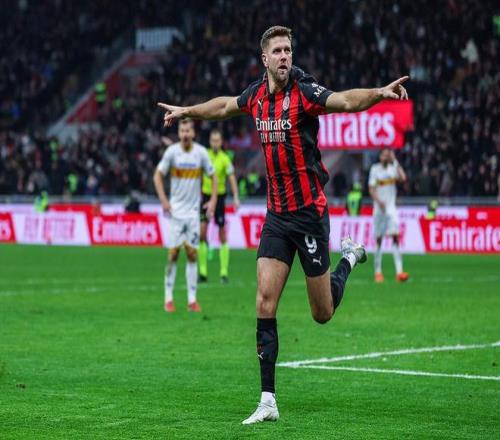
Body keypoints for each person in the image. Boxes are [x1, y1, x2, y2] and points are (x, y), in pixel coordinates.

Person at [157, 25, 409, 424]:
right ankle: (268, 400)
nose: (284, 56)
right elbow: (223, 106)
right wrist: (187, 110)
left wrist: (379, 93)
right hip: (277, 217)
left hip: (309, 215)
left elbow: (344, 100)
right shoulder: (257, 95)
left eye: (288, 50)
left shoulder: (305, 93)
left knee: (322, 313)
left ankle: (348, 259)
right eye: (277, 51)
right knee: (264, 301)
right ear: (264, 58)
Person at [153, 119, 217, 313]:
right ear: (179, 133)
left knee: (192, 254)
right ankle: (168, 298)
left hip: (192, 214)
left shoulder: (201, 153)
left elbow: (214, 177)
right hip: (176, 213)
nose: (185, 134)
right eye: (182, 131)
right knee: (173, 255)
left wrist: (213, 201)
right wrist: (164, 200)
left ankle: (192, 300)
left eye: (188, 130)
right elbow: (157, 175)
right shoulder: (172, 152)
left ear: (193, 133)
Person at [199, 129, 240, 284]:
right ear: (210, 141)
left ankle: (223, 272)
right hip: (205, 196)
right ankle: (202, 272)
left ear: (221, 142)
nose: (215, 143)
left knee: (222, 234)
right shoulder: (204, 155)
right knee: (202, 233)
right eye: (213, 140)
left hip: (220, 198)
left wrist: (235, 196)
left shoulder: (225, 159)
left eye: (217, 140)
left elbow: (232, 178)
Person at [368, 148, 409, 283]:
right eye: (384, 155)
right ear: (380, 157)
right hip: (379, 209)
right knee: (379, 239)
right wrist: (379, 201)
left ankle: (399, 272)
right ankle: (378, 272)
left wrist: (395, 161)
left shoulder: (393, 169)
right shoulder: (375, 169)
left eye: (388, 155)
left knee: (395, 237)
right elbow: (371, 189)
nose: (386, 157)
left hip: (391, 209)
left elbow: (403, 178)